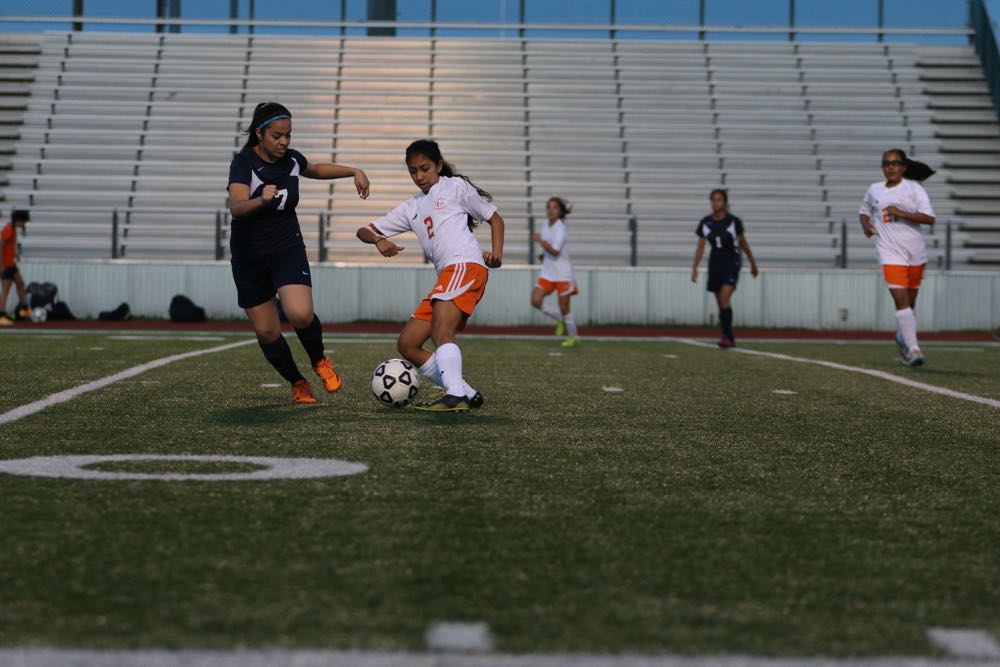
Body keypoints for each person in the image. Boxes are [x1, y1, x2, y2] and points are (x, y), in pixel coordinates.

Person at [228, 101, 370, 404]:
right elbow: (237, 207)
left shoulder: (291, 159)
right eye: (277, 136)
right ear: (259, 134)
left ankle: (320, 361)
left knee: (300, 313)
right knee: (267, 332)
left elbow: (315, 169)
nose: (284, 142)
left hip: (285, 248)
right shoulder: (243, 163)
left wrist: (353, 171)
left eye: (288, 135)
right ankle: (297, 382)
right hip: (249, 256)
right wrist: (261, 200)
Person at [357, 139, 505, 412]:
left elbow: (495, 218)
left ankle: (456, 394)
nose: (419, 176)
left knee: (441, 331)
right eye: (413, 171)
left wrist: (496, 255)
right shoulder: (412, 207)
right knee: (408, 344)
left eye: (424, 168)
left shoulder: (455, 187)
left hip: (464, 266)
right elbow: (364, 230)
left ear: (438, 165)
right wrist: (378, 240)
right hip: (447, 276)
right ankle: (466, 393)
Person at [859, 148, 937, 367]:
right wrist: (866, 224)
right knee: (900, 298)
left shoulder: (914, 189)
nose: (890, 167)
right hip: (889, 252)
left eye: (894, 163)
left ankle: (903, 338)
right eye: (886, 163)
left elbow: (930, 218)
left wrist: (902, 213)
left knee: (910, 303)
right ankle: (914, 350)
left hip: (915, 253)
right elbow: (864, 210)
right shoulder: (874, 189)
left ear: (903, 166)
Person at [691, 189, 759, 348]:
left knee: (724, 297)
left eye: (719, 200)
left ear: (725, 203)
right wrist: (694, 267)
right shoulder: (705, 222)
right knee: (720, 302)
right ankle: (728, 335)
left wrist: (752, 263)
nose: (716, 203)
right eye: (713, 200)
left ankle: (727, 337)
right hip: (715, 262)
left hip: (731, 261)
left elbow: (743, 243)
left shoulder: (734, 222)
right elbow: (700, 247)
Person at [531, 196, 580, 347]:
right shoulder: (545, 224)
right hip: (548, 272)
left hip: (563, 274)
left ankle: (574, 337)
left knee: (565, 307)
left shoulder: (561, 228)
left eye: (555, 208)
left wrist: (540, 241)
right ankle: (560, 319)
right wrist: (542, 255)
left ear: (560, 212)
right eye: (549, 207)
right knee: (536, 300)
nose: (551, 210)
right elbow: (549, 250)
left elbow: (555, 252)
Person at [0, 209, 31, 326]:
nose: (24, 224)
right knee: (5, 289)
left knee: (20, 283)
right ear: (18, 220)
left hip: (10, 264)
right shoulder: (8, 229)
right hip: (5, 265)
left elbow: (8, 247)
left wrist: (14, 254)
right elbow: (1, 246)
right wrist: (1, 266)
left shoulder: (12, 229)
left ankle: (24, 310)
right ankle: (1, 315)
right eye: (23, 222)